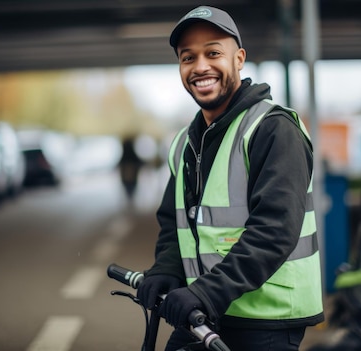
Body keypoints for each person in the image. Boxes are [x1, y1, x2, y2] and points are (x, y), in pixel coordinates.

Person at [136, 5, 324, 351]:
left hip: (266, 318)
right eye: (187, 58)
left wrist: (205, 291)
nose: (200, 66)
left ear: (239, 59)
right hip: (210, 311)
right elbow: (175, 222)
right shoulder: (185, 143)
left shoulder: (272, 129)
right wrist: (167, 268)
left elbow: (273, 231)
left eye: (213, 53)